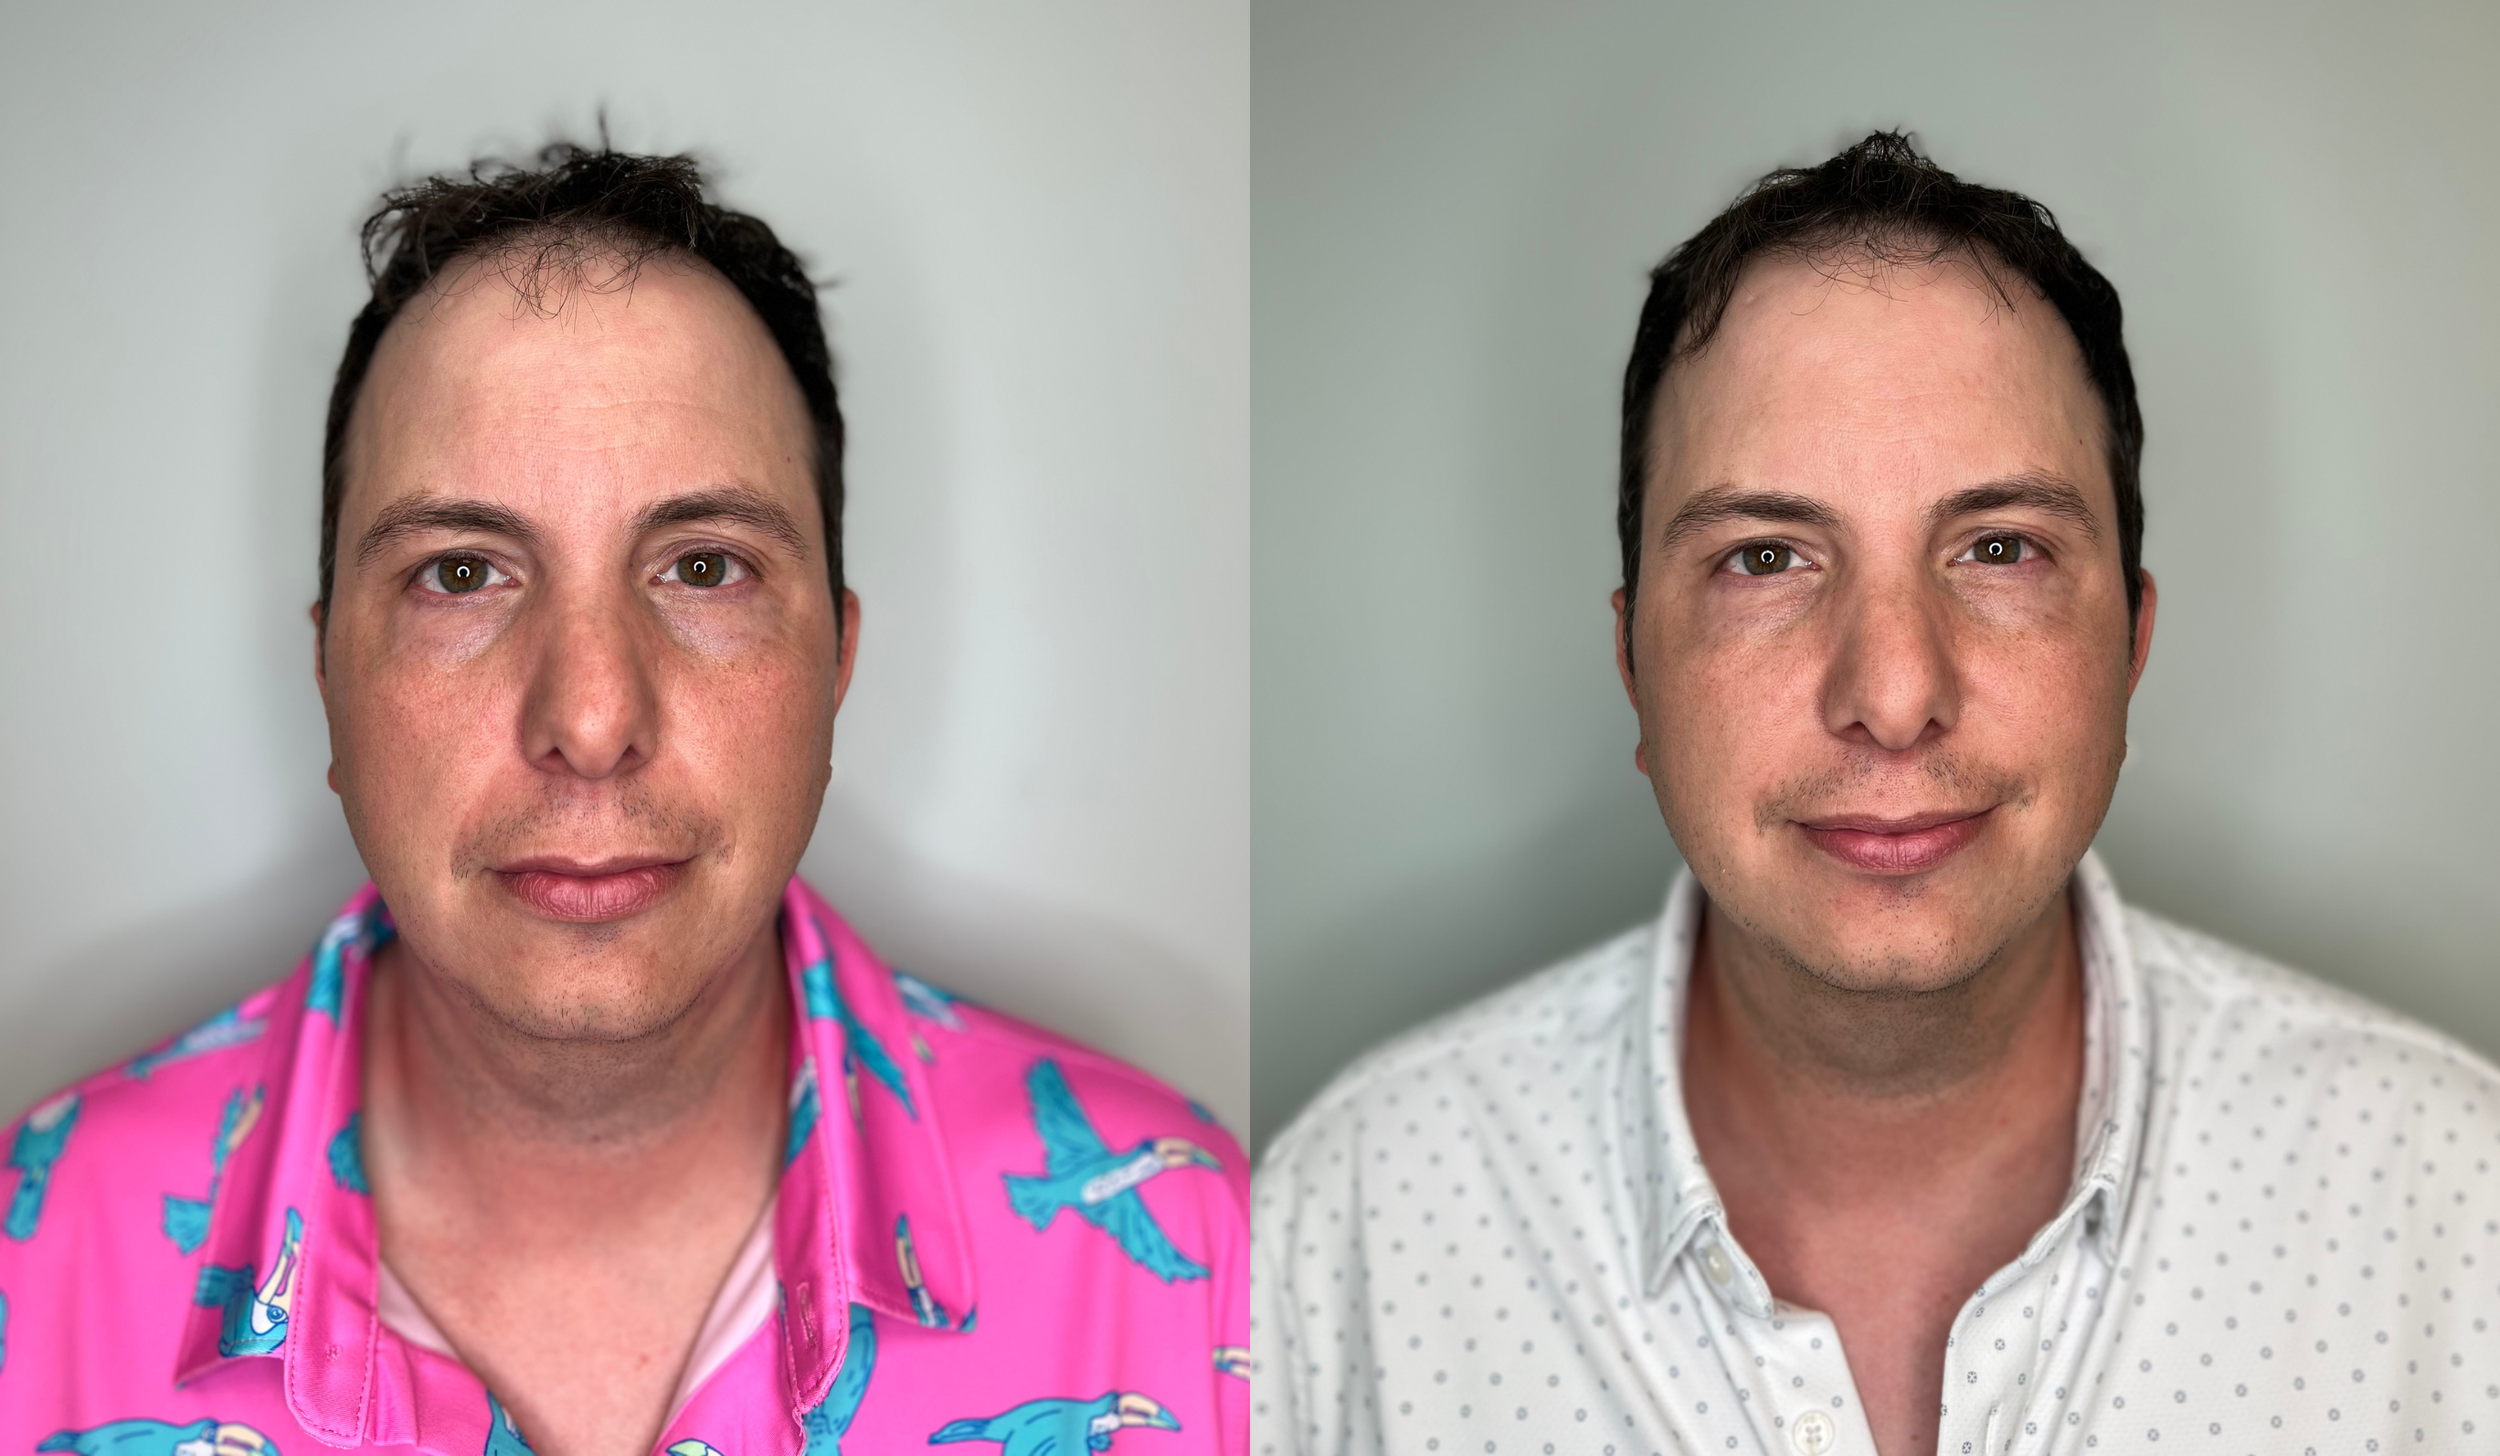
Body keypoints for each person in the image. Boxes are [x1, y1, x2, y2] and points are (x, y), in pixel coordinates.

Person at [1250, 132, 2500, 1456]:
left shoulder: (2458, 1213)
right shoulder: (1343, 1226)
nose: (1896, 693)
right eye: (1767, 557)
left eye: (2001, 549)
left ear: (2129, 647)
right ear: (1633, 665)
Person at [0, 145, 1248, 1456]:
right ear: (328, 674)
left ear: (837, 663)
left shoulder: (1216, 1261)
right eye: (462, 573)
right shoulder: (27, 1278)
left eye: (702, 566)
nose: (591, 723)